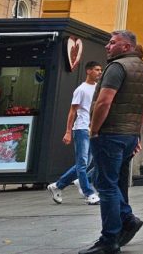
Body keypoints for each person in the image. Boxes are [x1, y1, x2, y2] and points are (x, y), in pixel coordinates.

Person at [78, 30, 143, 254]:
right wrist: (137, 133)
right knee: (116, 183)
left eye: (112, 43)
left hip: (110, 134)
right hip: (129, 136)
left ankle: (110, 238)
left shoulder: (116, 67)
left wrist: (94, 130)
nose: (107, 46)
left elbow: (104, 102)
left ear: (126, 47)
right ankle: (126, 219)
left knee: (106, 186)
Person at [48, 61, 103, 205]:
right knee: (83, 163)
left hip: (94, 129)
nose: (99, 72)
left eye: (100, 70)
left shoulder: (99, 88)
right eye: (97, 70)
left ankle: (58, 186)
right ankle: (88, 193)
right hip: (81, 129)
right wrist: (68, 132)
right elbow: (72, 111)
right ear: (88, 71)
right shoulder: (81, 90)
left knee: (87, 162)